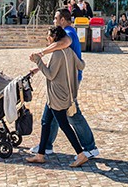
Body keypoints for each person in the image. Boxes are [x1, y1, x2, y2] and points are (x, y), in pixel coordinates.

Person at [26, 9, 99, 160]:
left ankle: (90, 148)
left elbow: (63, 46)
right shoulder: (63, 43)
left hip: (68, 82)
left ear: (63, 20)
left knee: (73, 115)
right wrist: (38, 68)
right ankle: (45, 147)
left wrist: (41, 54)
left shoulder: (68, 33)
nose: (54, 20)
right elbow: (59, 61)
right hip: (62, 81)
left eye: (56, 18)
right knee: (50, 115)